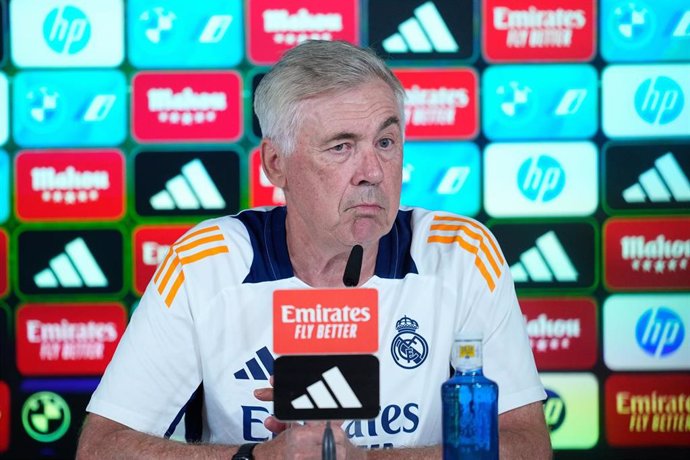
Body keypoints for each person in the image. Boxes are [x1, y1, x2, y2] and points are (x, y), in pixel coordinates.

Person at [77, 40, 551, 459]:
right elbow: (102, 447)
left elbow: (527, 445)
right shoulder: (205, 264)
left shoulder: (461, 255)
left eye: (386, 141)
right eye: (341, 147)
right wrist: (256, 458)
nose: (373, 171)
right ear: (276, 164)